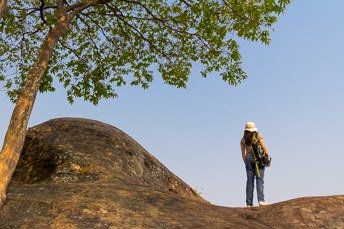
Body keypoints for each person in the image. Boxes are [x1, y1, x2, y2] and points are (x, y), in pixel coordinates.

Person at [240, 121, 270, 207]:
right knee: (259, 179)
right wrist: (267, 160)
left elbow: (243, 154)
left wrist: (246, 163)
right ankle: (261, 200)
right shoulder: (257, 135)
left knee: (250, 181)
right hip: (258, 158)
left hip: (248, 158)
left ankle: (249, 204)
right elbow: (264, 147)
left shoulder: (242, 139)